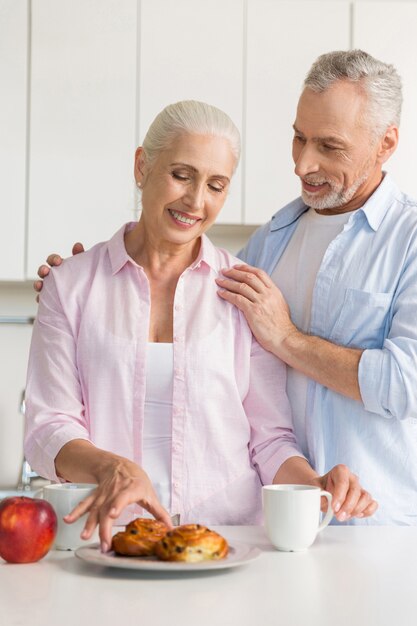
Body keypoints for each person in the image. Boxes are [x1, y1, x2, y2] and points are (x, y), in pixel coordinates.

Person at [26, 101, 375, 554]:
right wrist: (113, 467)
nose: (196, 201)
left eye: (216, 185)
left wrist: (314, 484)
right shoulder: (71, 285)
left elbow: (268, 439)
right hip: (107, 543)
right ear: (141, 166)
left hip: (224, 542)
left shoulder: (244, 293)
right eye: (181, 175)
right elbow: (47, 427)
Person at [215, 50, 417, 525]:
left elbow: (407, 386)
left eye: (330, 146)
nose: (303, 164)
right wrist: (90, 281)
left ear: (385, 143)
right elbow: (196, 331)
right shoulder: (268, 243)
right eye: (299, 138)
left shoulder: (409, 241)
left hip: (382, 531)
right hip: (278, 524)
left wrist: (286, 338)